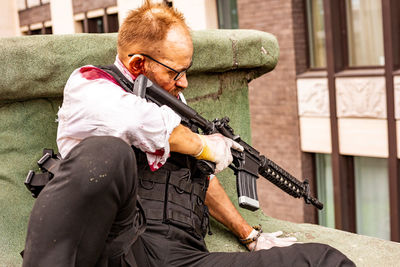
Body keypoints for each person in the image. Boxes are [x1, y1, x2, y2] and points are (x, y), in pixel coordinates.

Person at [22, 1, 355, 266]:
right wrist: (205, 146)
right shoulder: (90, 84)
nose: (184, 82)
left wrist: (250, 235)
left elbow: (202, 182)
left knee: (322, 259)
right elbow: (134, 122)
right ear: (138, 64)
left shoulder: (174, 107)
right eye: (175, 71)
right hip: (115, 248)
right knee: (109, 153)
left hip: (182, 257)